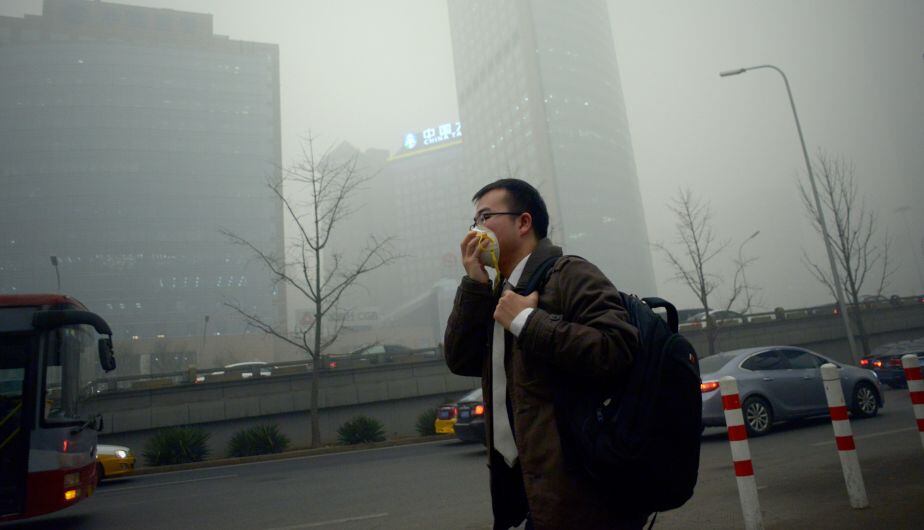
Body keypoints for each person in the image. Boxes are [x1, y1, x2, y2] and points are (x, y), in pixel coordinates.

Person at [444, 179, 649, 530]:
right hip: (515, 480)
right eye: (473, 222)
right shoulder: (496, 292)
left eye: (486, 217)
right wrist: (474, 285)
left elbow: (616, 349)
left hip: (576, 488)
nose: (475, 231)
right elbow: (460, 359)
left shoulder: (569, 273)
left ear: (524, 223)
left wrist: (527, 321)